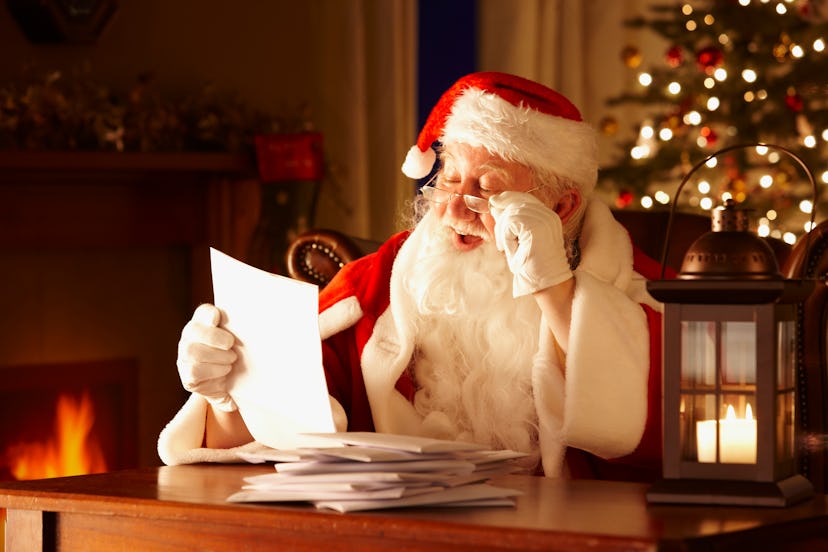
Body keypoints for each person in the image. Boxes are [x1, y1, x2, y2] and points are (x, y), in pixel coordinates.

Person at [158, 72, 665, 480]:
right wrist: (227, 393)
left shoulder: (642, 290)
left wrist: (555, 289)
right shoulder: (377, 283)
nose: (456, 210)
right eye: (448, 181)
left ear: (561, 205)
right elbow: (278, 429)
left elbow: (672, 436)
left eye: (487, 190)